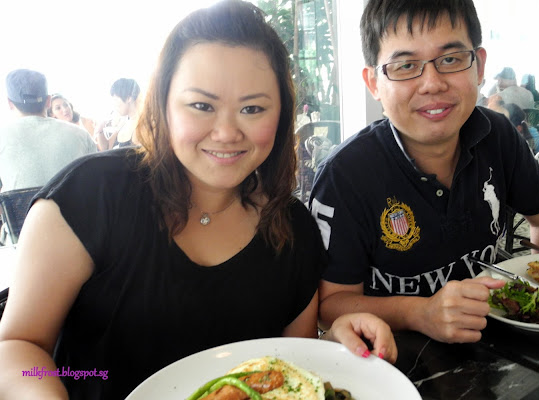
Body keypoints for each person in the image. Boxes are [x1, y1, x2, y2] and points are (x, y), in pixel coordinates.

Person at [0, 2, 397, 399]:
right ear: (163, 103)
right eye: (202, 106)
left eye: (252, 108)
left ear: (281, 114)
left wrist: (336, 345)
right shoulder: (89, 195)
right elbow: (17, 347)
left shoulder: (293, 230)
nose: (226, 132)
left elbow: (288, 365)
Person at [309, 0, 539, 344]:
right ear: (374, 83)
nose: (432, 84)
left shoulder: (498, 136)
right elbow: (330, 306)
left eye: (450, 59)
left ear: (479, 66)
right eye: (405, 65)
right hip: (390, 360)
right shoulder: (344, 176)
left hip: (490, 348)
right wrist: (420, 312)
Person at [0, 69, 97, 193]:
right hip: (74, 205)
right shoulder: (81, 135)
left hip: (21, 206)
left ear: (9, 103)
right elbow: (96, 183)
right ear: (48, 101)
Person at [95, 78, 141, 150]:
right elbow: (107, 147)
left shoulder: (141, 125)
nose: (114, 105)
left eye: (115, 100)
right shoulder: (124, 122)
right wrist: (100, 130)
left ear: (129, 98)